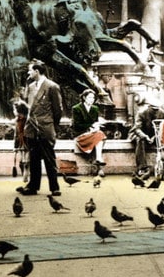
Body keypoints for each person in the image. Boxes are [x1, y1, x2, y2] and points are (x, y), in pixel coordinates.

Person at [17, 61, 64, 196]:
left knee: (49, 158)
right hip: (31, 127)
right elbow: (29, 107)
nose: (28, 73)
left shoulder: (52, 86)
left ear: (37, 71)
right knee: (34, 158)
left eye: (30, 71)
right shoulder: (31, 86)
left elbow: (58, 110)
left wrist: (52, 126)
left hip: (45, 127)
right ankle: (33, 186)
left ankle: (54, 187)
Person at [72, 89, 107, 176]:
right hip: (81, 134)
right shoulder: (76, 108)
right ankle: (99, 161)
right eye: (90, 97)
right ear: (84, 98)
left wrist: (96, 126)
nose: (92, 99)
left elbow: (95, 122)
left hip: (92, 134)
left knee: (99, 134)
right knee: (100, 136)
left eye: (93, 98)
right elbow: (76, 125)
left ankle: (98, 161)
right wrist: (90, 126)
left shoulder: (95, 108)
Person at [129, 97, 162, 177]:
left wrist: (155, 137)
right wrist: (145, 136)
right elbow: (137, 129)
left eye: (157, 109)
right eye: (153, 109)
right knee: (140, 140)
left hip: (155, 135)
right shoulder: (141, 113)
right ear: (149, 107)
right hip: (140, 134)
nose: (155, 111)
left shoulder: (161, 113)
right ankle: (142, 167)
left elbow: (163, 127)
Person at [12, 99, 30, 181]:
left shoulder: (28, 121)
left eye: (15, 110)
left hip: (28, 143)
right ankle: (25, 176)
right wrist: (15, 146)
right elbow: (16, 135)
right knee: (22, 161)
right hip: (21, 142)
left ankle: (26, 177)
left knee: (27, 161)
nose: (14, 112)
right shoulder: (17, 121)